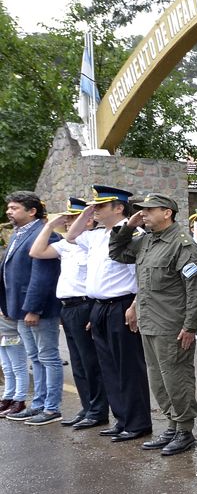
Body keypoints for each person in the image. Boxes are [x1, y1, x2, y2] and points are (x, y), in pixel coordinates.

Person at [109, 194, 197, 455]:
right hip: (149, 322)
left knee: (177, 379)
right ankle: (173, 425)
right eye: (141, 211)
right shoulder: (146, 241)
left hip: (173, 325)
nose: (143, 215)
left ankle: (185, 430)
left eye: (149, 210)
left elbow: (196, 288)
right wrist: (128, 227)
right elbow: (117, 252)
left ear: (167, 213)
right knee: (158, 380)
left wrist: (191, 326)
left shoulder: (182, 245)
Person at [65, 186, 152, 438]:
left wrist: (135, 305)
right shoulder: (96, 236)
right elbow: (71, 236)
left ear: (119, 208)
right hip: (99, 306)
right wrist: (88, 212)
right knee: (109, 367)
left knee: (128, 367)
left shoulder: (134, 233)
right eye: (95, 206)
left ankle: (138, 423)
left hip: (123, 305)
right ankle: (122, 419)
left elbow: (141, 273)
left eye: (101, 206)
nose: (96, 211)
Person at [29, 197, 108, 428]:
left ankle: (98, 410)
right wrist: (48, 226)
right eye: (69, 218)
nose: (69, 222)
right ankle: (87, 407)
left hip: (85, 305)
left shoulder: (90, 243)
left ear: (88, 220)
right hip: (68, 308)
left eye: (74, 217)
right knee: (78, 363)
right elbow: (36, 251)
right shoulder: (65, 245)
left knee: (91, 361)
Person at [0, 191, 63, 424]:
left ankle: (51, 408)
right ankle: (38, 404)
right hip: (19, 308)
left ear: (32, 211)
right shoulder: (19, 233)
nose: (9, 211)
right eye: (9, 207)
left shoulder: (45, 235)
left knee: (48, 358)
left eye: (14, 208)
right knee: (35, 358)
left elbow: (43, 276)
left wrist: (34, 308)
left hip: (37, 310)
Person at [0, 313, 28, 417]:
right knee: (7, 368)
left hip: (12, 332)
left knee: (18, 368)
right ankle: (8, 398)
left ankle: (19, 401)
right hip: (2, 332)